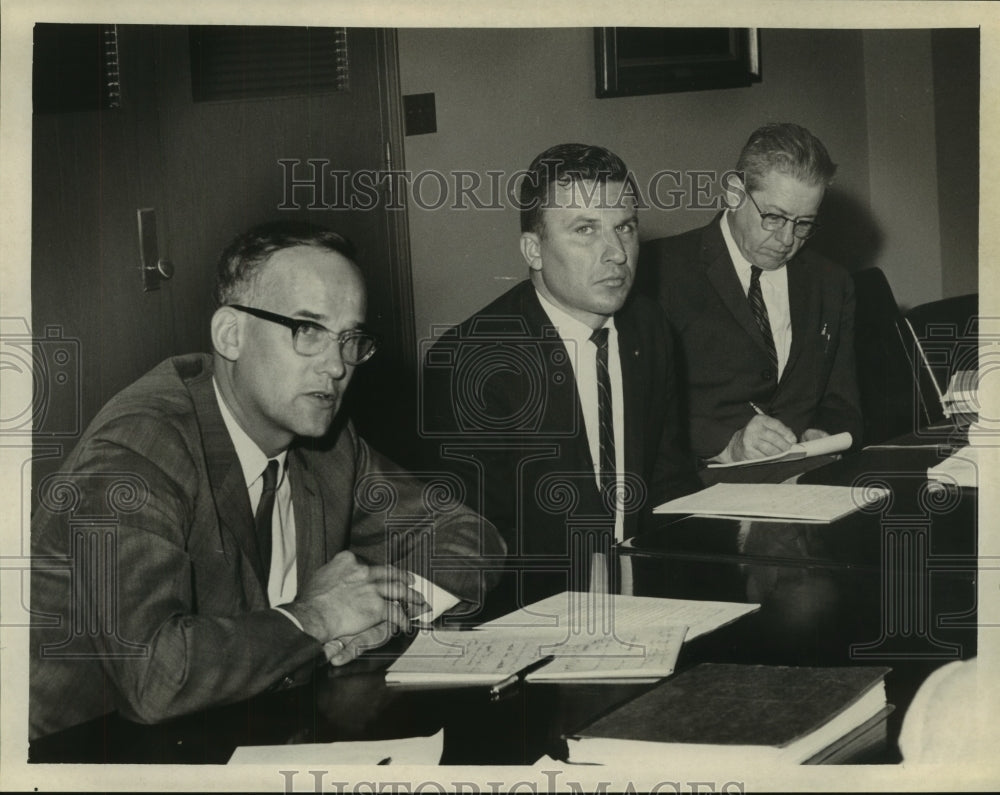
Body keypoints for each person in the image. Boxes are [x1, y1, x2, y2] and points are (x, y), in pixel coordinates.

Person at [29, 221, 504, 740]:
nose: (336, 365)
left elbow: (467, 536)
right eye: (308, 330)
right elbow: (155, 676)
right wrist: (317, 617)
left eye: (350, 339)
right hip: (82, 751)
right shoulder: (137, 452)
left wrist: (380, 611)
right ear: (230, 334)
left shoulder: (325, 443)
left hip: (247, 731)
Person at [421, 143, 699, 614]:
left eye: (625, 228)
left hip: (646, 598)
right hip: (531, 614)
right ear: (534, 249)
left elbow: (669, 482)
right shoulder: (471, 361)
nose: (616, 254)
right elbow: (474, 542)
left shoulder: (649, 328)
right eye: (585, 230)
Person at [643, 123, 862, 474]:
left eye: (804, 223)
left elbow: (842, 400)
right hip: (698, 484)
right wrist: (726, 445)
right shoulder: (659, 273)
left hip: (805, 482)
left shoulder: (832, 283)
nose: (787, 239)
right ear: (734, 193)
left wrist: (823, 434)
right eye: (774, 217)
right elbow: (639, 409)